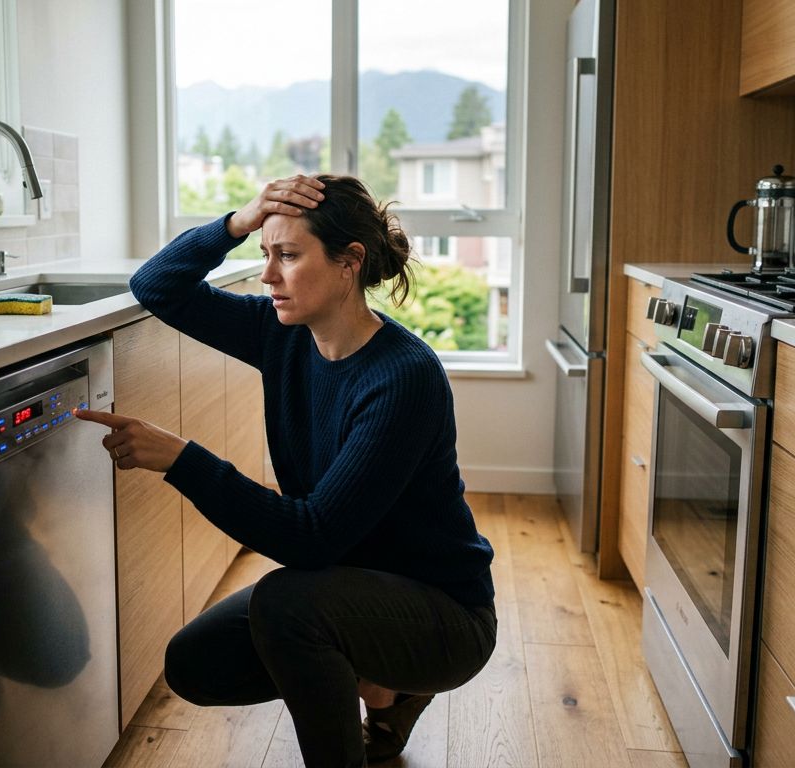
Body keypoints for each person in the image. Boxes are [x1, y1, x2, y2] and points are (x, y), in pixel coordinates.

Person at [74, 174, 496, 767]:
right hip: (347, 585)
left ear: (349, 263)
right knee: (193, 663)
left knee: (285, 605)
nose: (268, 275)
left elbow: (311, 535)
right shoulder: (283, 334)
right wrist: (237, 222)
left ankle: (373, 706)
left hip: (444, 614)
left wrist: (181, 460)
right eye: (264, 255)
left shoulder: (402, 377)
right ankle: (383, 688)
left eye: (289, 256)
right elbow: (156, 287)